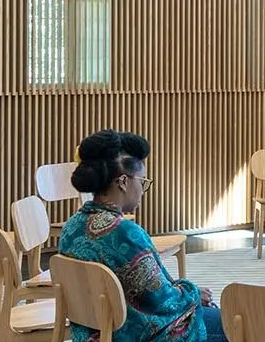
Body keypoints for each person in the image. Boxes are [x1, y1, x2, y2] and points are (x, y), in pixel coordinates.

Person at [58, 129, 221, 342]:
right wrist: (193, 292)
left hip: (94, 334)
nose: (142, 190)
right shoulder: (126, 233)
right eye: (142, 181)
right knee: (236, 322)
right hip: (136, 335)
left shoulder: (71, 227)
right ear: (124, 182)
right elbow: (162, 300)